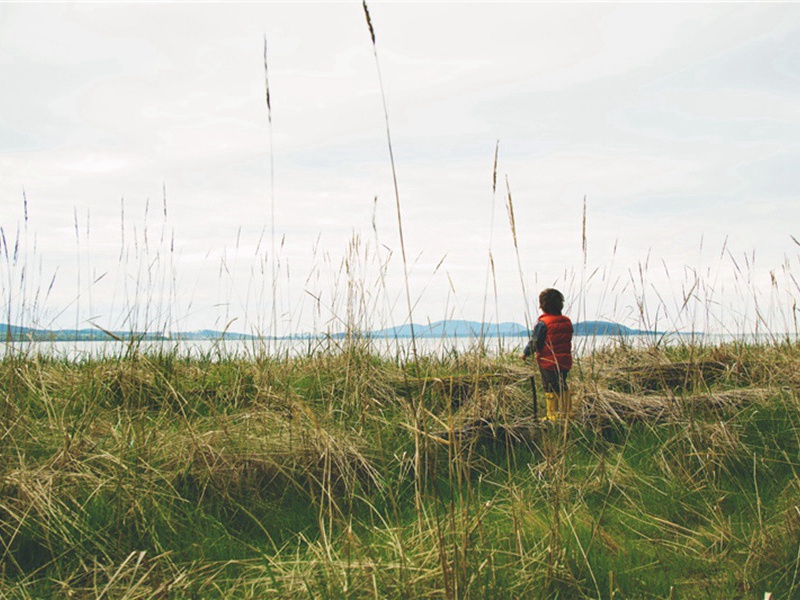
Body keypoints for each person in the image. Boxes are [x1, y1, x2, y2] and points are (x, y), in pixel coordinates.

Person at [521, 288, 574, 421]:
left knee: (550, 387)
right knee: (562, 384)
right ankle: (567, 413)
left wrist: (525, 353)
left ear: (542, 306)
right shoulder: (566, 321)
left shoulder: (544, 323)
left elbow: (536, 342)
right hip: (564, 361)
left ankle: (552, 415)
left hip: (548, 362)